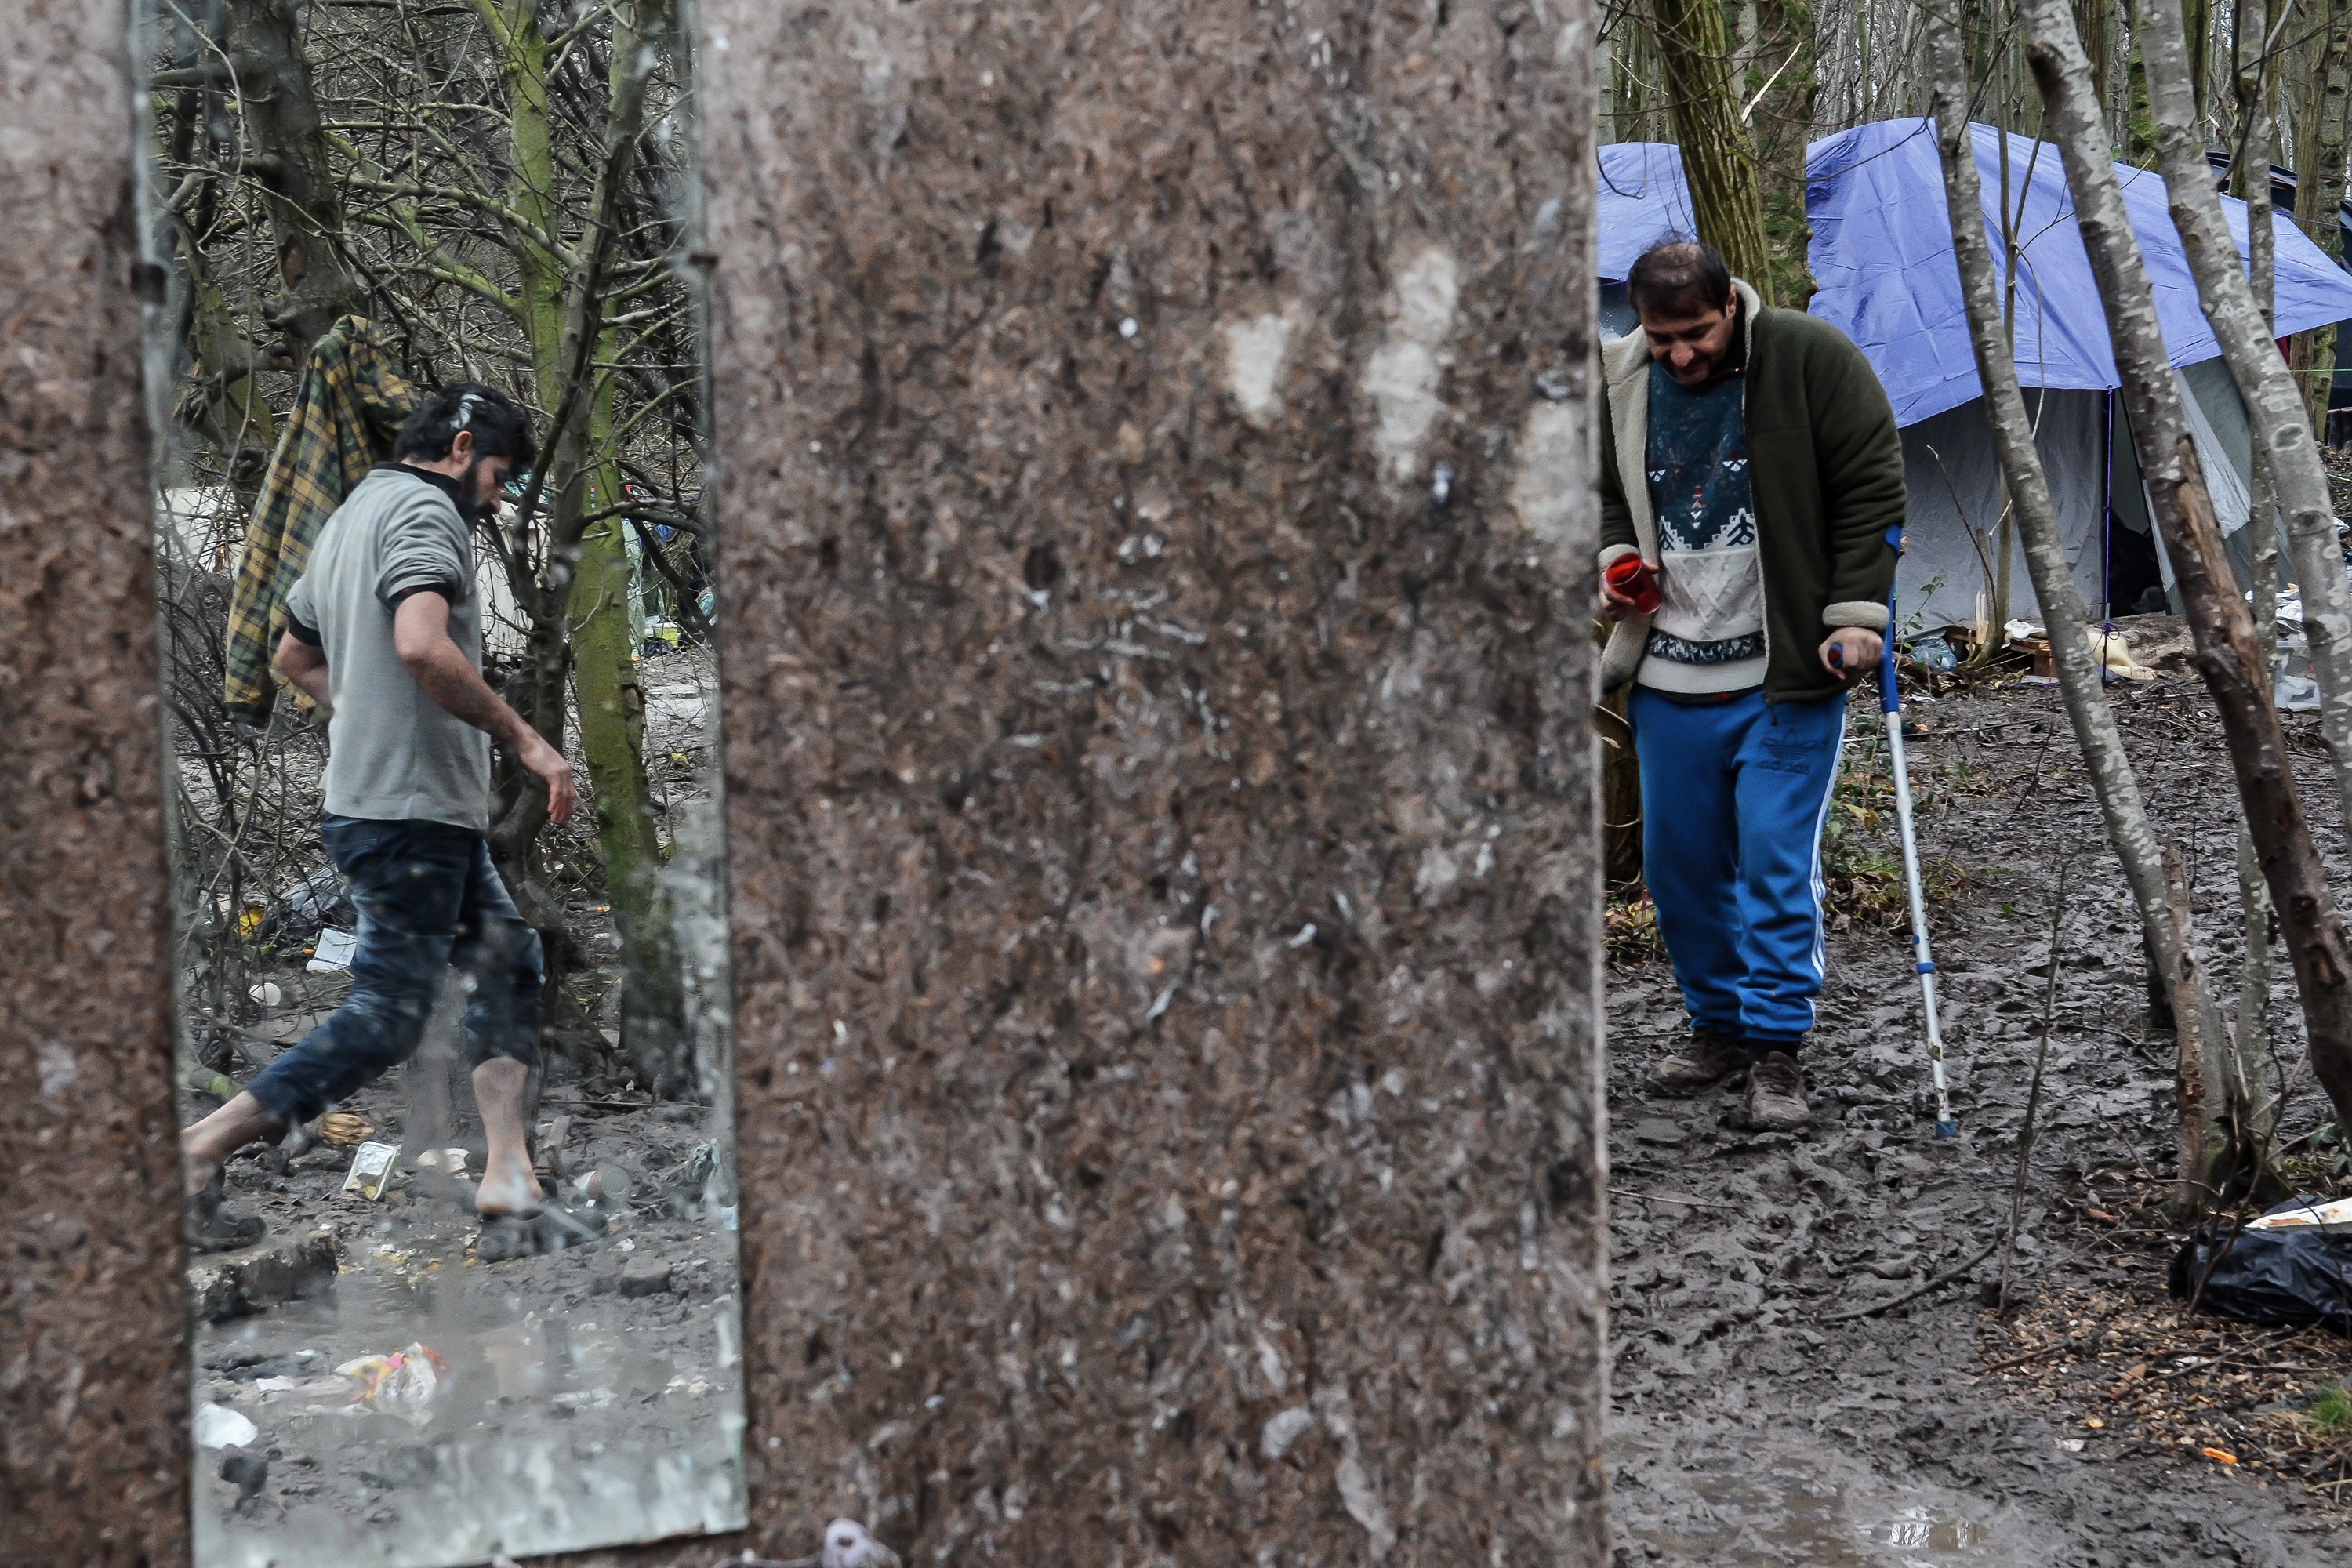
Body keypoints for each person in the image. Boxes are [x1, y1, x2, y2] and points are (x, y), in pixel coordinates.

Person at [182, 383, 576, 1240]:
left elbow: (293, 654)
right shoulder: (426, 514)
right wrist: (526, 741)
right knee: (388, 1014)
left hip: (407, 807)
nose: (501, 497)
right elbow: (421, 642)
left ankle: (509, 1175)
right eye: (502, 476)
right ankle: (198, 1150)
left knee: (508, 963)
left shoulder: (351, 516)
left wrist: (366, 718)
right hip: (406, 816)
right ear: (463, 446)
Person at [1597, 239, 1904, 1131]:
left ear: (1730, 302)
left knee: (1773, 862)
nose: (1680, 353)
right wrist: (1617, 562)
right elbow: (1603, 493)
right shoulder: (1619, 378)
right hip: (1667, 672)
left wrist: (1855, 614)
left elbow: (1871, 484)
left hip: (1785, 671)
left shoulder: (1809, 357)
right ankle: (1718, 1025)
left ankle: (1777, 1048)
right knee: (1680, 869)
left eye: (1694, 332)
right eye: (1662, 339)